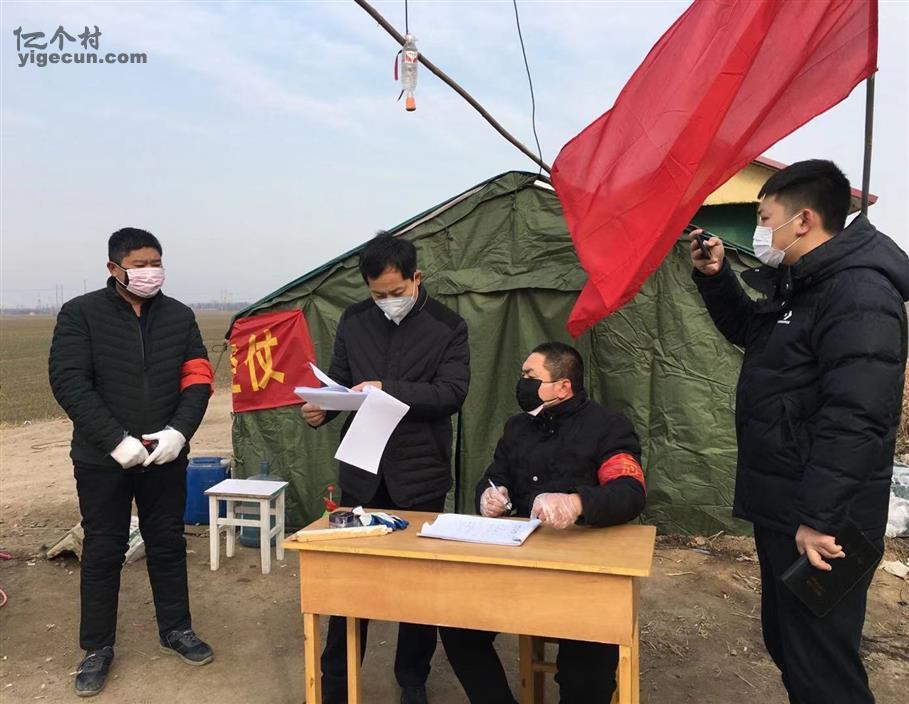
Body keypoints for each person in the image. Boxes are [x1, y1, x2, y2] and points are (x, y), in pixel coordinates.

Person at [690, 159, 909, 704]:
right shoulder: (803, 286)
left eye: (765, 219)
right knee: (790, 646)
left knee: (822, 669)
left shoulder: (859, 295)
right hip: (787, 505)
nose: (760, 232)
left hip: (824, 520)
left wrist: (818, 518)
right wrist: (716, 278)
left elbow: (857, 418)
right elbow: (755, 332)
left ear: (804, 220)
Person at [300, 232, 470, 704]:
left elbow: (452, 393)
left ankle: (412, 679)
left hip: (420, 473)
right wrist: (322, 408)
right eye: (378, 294)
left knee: (418, 586)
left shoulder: (448, 326)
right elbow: (341, 382)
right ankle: (337, 683)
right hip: (363, 471)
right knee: (348, 584)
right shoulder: (355, 320)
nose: (388, 301)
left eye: (396, 291)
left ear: (417, 278)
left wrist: (386, 388)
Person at [49, 228, 215, 698]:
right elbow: (69, 382)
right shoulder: (80, 314)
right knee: (104, 549)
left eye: (155, 263)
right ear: (114, 268)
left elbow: (198, 377)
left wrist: (179, 433)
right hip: (103, 460)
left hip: (164, 455)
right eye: (139, 265)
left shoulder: (179, 316)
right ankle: (97, 647)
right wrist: (115, 441)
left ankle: (176, 629)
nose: (150, 272)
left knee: (167, 543)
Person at [439, 342, 646, 704]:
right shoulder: (518, 427)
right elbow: (494, 476)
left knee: (585, 669)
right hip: (517, 564)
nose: (522, 383)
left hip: (581, 574)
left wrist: (577, 503)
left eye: (530, 376)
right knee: (457, 626)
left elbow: (630, 491)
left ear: (563, 386)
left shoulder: (608, 427)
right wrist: (489, 495)